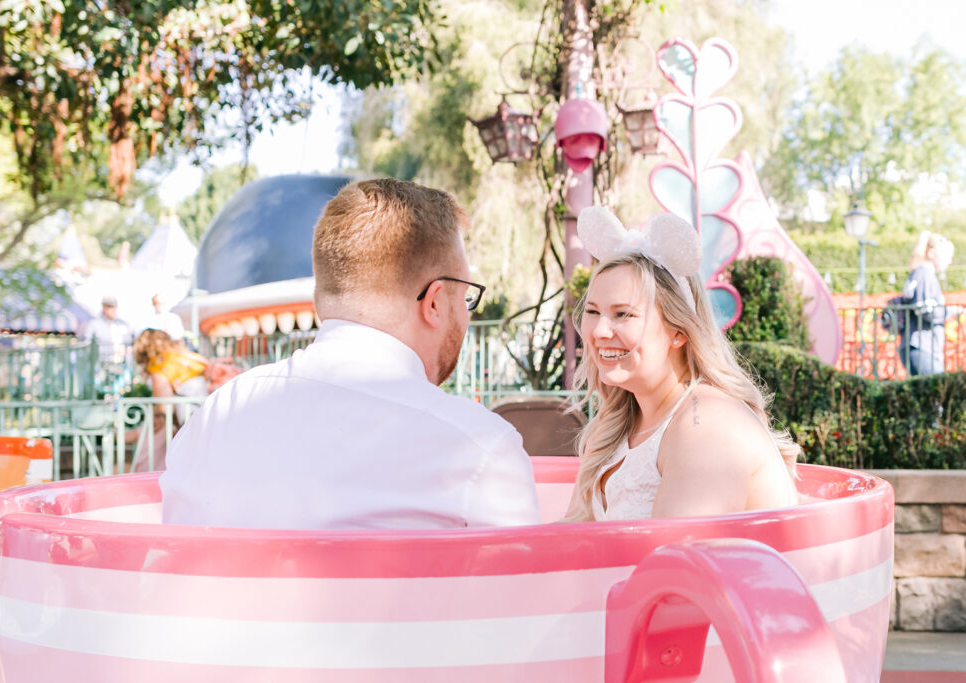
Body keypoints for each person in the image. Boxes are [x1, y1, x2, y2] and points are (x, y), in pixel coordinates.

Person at [160, 178, 541, 529]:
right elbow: (527, 596)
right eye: (466, 294)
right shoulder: (479, 449)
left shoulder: (210, 421)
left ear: (319, 299)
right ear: (436, 302)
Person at [564, 208, 799, 521]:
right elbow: (572, 534)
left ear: (678, 332)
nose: (599, 331)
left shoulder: (707, 426)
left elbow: (675, 562)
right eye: (593, 312)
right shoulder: (614, 427)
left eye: (623, 314)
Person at [128, 329, 210, 471]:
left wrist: (155, 413)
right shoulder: (186, 356)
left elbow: (164, 406)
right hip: (207, 409)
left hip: (190, 414)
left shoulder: (160, 363)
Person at [897, 231, 956, 376]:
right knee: (936, 395)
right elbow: (926, 310)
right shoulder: (924, 273)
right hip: (922, 347)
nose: (949, 261)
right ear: (931, 253)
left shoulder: (920, 273)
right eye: (947, 255)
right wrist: (951, 311)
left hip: (918, 346)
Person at [79, 295, 132, 363]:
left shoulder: (122, 323)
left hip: (122, 365)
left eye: (114, 307)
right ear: (104, 307)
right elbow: (87, 346)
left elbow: (129, 342)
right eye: (110, 307)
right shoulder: (94, 324)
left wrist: (125, 350)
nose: (113, 310)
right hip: (103, 365)